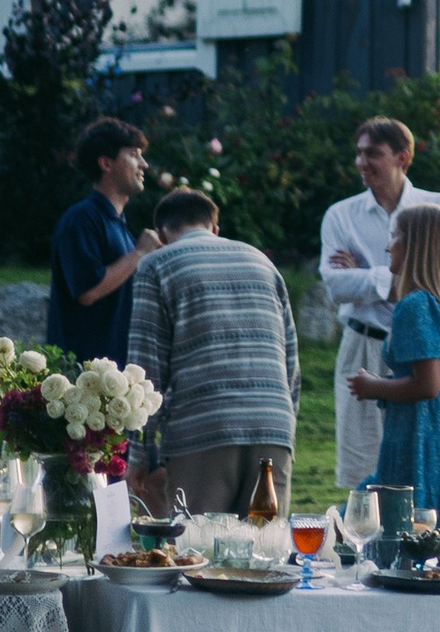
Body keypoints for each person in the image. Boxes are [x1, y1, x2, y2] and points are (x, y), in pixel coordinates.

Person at [124, 185, 300, 518]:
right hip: (273, 425)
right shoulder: (263, 263)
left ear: (161, 233)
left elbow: (145, 367)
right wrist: (284, 428)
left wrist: (139, 454)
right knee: (265, 559)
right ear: (214, 228)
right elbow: (290, 362)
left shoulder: (156, 265)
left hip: (202, 430)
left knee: (198, 555)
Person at [319, 117, 440, 497]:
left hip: (425, 351)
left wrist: (368, 276)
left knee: (421, 459)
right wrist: (396, 279)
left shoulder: (439, 207)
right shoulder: (340, 214)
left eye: (373, 154)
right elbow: (335, 286)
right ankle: (367, 544)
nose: (362, 162)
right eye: (359, 153)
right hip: (364, 345)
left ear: (403, 157)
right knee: (362, 466)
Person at [346, 204, 440, 541]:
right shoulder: (437, 303)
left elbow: (428, 384)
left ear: (416, 246)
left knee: (401, 527)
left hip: (419, 436)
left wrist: (374, 386)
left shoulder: (415, 305)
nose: (388, 245)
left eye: (395, 236)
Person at [46, 118, 158, 367]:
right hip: (81, 379)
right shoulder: (82, 219)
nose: (144, 164)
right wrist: (139, 253)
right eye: (133, 155)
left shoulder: (118, 225)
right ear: (106, 163)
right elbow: (88, 291)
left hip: (114, 377)